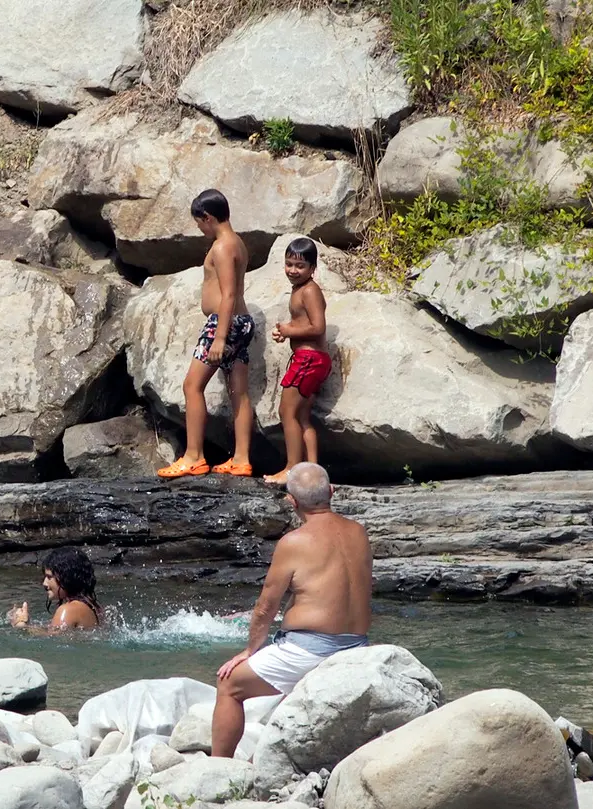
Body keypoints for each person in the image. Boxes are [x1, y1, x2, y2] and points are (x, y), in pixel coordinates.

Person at [211, 462, 371, 758]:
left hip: (310, 652)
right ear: (332, 492)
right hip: (358, 646)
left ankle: (217, 766)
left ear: (292, 502)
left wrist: (249, 651)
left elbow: (265, 608)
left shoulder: (293, 542)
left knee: (229, 684)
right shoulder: (359, 532)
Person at [157, 189, 256, 479]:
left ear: (208, 217)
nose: (199, 229)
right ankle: (241, 459)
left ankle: (193, 456)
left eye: (199, 223)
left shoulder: (222, 247)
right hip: (242, 322)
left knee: (192, 386)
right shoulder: (237, 242)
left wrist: (220, 337)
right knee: (239, 392)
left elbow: (227, 295)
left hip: (224, 324)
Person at [264, 238, 332, 487]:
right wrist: (287, 329)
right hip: (311, 359)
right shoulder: (299, 290)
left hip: (309, 359)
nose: (293, 270)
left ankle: (291, 468)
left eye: (300, 266)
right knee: (302, 416)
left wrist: (290, 331)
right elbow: (305, 323)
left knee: (287, 412)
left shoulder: (310, 290)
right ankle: (313, 472)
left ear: (313, 268)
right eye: (289, 264)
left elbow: (317, 327)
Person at [8, 547, 101, 632]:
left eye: (49, 577)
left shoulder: (68, 610)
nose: (44, 583)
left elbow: (51, 640)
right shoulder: (93, 607)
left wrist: (21, 625)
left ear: (66, 578)